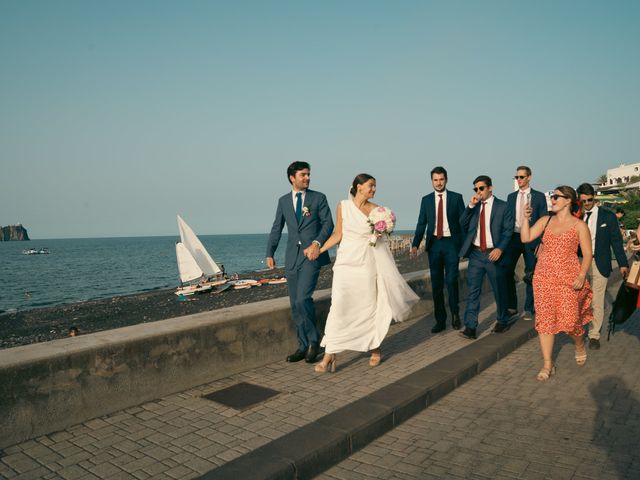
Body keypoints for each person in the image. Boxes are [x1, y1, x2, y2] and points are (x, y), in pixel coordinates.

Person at [314, 174, 419, 373]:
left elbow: (379, 239)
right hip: (345, 263)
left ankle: (375, 348)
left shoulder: (376, 210)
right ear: (359, 187)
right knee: (338, 306)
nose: (374, 190)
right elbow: (338, 234)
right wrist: (319, 249)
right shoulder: (342, 206)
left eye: (375, 187)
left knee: (368, 306)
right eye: (371, 186)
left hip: (366, 264)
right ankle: (330, 355)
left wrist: (381, 231)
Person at [520, 186, 593, 380]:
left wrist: (582, 275)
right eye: (552, 197)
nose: (552, 200)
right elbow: (526, 237)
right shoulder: (545, 221)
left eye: (556, 197)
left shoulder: (579, 226)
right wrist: (525, 218)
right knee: (545, 322)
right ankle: (547, 365)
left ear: (568, 200)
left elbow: (587, 254)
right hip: (543, 278)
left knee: (570, 322)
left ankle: (579, 344)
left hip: (569, 279)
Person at [266, 161, 334, 363]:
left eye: (308, 174)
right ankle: (302, 345)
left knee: (303, 298)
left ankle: (315, 341)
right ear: (292, 178)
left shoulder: (318, 198)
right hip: (291, 257)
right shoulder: (283, 201)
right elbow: (277, 227)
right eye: (303, 175)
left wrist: (316, 243)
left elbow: (328, 223)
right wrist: (270, 252)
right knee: (294, 305)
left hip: (311, 255)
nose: (307, 178)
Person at [410, 166, 465, 333]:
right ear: (431, 181)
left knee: (451, 281)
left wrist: (464, 248)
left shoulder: (456, 198)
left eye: (441, 179)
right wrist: (415, 244)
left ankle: (455, 314)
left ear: (446, 180)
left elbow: (463, 223)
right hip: (434, 246)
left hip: (451, 245)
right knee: (436, 284)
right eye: (435, 180)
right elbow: (421, 223)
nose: (439, 183)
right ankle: (440, 320)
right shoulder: (426, 200)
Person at [459, 175, 514, 340]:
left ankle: (502, 320)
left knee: (499, 289)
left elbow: (508, 230)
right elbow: (462, 223)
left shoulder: (503, 206)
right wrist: (470, 206)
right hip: (476, 254)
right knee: (473, 291)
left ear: (490, 188)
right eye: (475, 189)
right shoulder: (474, 207)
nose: (478, 192)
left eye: (481, 188)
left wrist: (500, 248)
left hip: (493, 254)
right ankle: (470, 327)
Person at [576, 183, 629, 350]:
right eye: (583, 201)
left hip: (600, 263)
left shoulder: (608, 216)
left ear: (594, 198)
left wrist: (622, 264)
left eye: (590, 200)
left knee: (597, 300)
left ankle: (594, 335)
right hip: (579, 263)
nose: (587, 203)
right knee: (580, 299)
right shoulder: (576, 216)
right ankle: (579, 330)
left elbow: (616, 241)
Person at [503, 166, 548, 321]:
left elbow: (544, 220)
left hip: (532, 237)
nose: (519, 180)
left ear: (529, 177)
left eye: (522, 177)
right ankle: (512, 306)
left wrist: (542, 242)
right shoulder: (511, 197)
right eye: (517, 177)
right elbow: (507, 219)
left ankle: (529, 308)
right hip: (514, 238)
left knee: (531, 274)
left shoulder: (539, 197)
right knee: (507, 269)